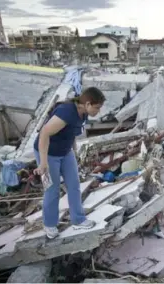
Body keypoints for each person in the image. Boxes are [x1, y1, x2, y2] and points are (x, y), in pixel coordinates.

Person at [34, 87, 106, 239]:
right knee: (52, 190)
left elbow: (72, 132)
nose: (98, 111)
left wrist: (73, 152)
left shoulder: (83, 114)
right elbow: (44, 133)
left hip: (66, 153)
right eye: (97, 107)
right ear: (87, 104)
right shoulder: (66, 112)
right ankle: (50, 225)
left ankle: (78, 220)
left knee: (74, 185)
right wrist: (43, 163)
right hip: (48, 153)